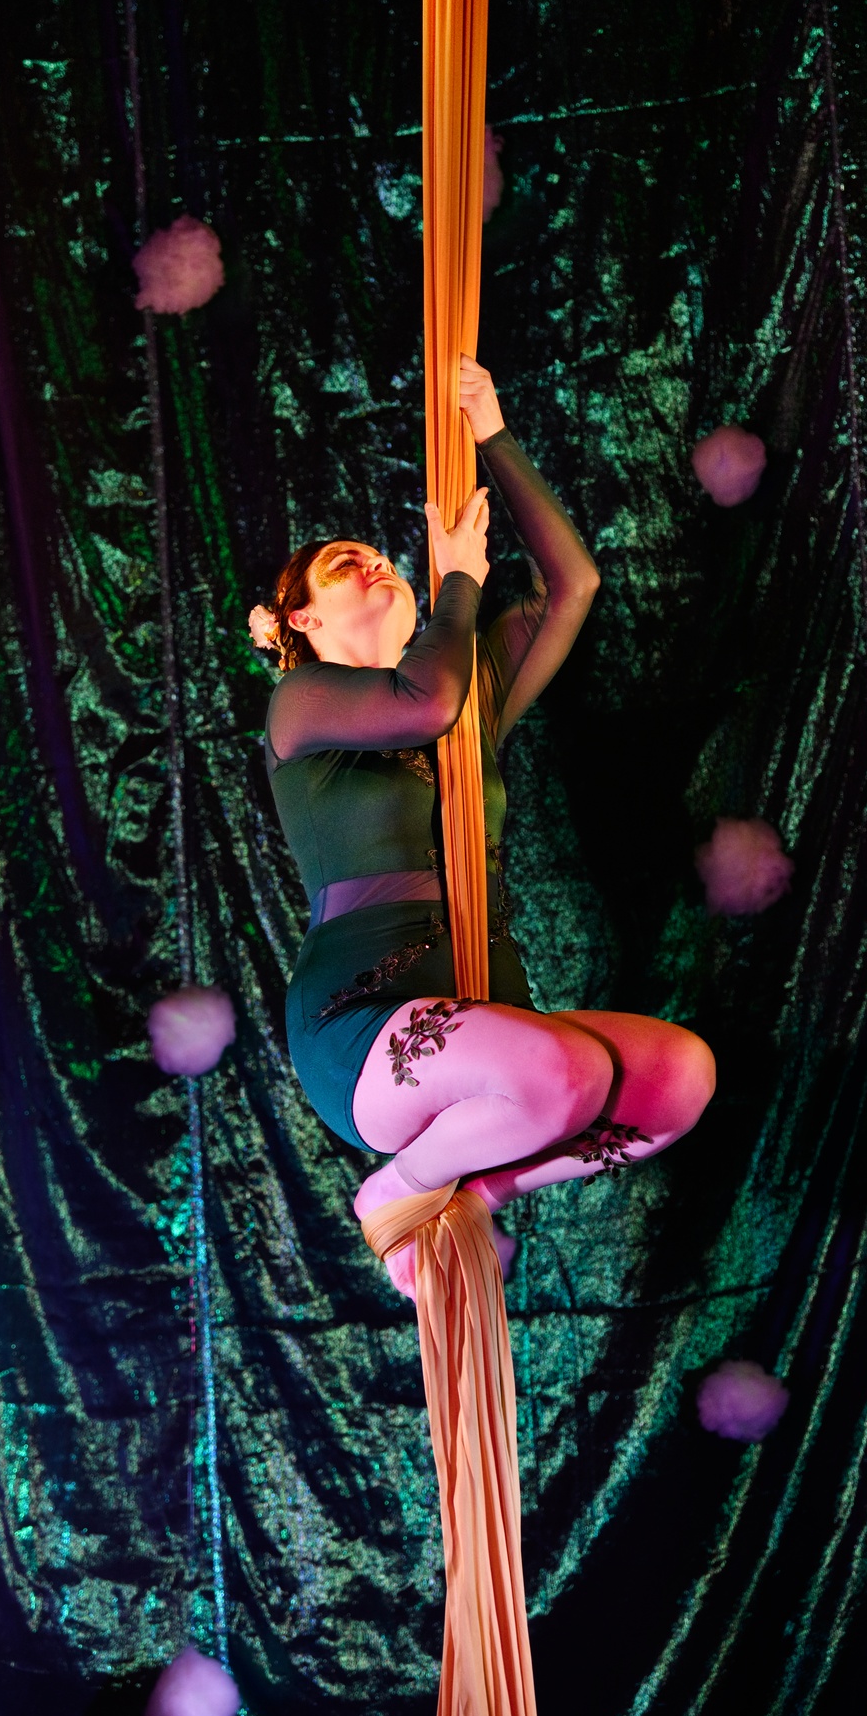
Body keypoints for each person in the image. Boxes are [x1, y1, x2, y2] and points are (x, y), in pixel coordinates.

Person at [250, 357, 715, 1296]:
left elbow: (570, 585)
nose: (374, 561)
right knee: (563, 1078)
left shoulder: (469, 703)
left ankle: (473, 1192)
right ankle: (395, 1189)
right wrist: (458, 579)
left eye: (380, 556)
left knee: (677, 1077)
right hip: (363, 1029)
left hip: (484, 1020)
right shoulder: (300, 706)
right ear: (299, 620)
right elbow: (421, 700)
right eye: (343, 564)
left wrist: (491, 433)